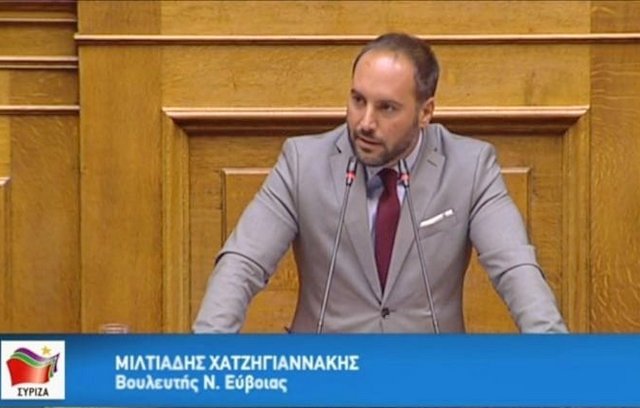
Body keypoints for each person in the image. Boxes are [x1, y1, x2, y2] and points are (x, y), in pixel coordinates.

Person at [193, 33, 567, 334]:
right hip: (327, 376)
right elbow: (242, 264)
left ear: (426, 112)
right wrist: (205, 356)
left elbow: (514, 268)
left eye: (387, 108)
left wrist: (555, 360)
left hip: (428, 377)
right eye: (358, 100)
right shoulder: (302, 162)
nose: (365, 123)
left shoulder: (470, 167)